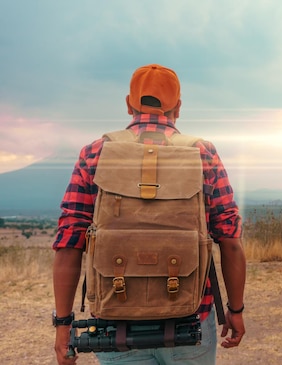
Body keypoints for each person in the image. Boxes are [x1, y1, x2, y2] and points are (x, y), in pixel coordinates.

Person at [52, 64, 246, 365]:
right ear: (178, 108)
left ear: (129, 104)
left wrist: (63, 325)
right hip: (190, 321)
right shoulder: (203, 154)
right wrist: (235, 311)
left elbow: (68, 243)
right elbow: (230, 240)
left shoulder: (95, 153)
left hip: (115, 328)